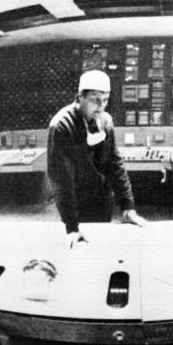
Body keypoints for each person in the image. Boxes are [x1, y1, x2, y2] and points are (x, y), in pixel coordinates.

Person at [47, 69, 147, 248]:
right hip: (76, 203)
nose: (101, 106)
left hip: (102, 199)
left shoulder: (106, 120)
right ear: (79, 97)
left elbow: (115, 164)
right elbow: (61, 181)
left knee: (101, 246)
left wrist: (127, 207)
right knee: (79, 251)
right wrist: (71, 227)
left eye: (106, 99)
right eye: (95, 99)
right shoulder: (61, 126)